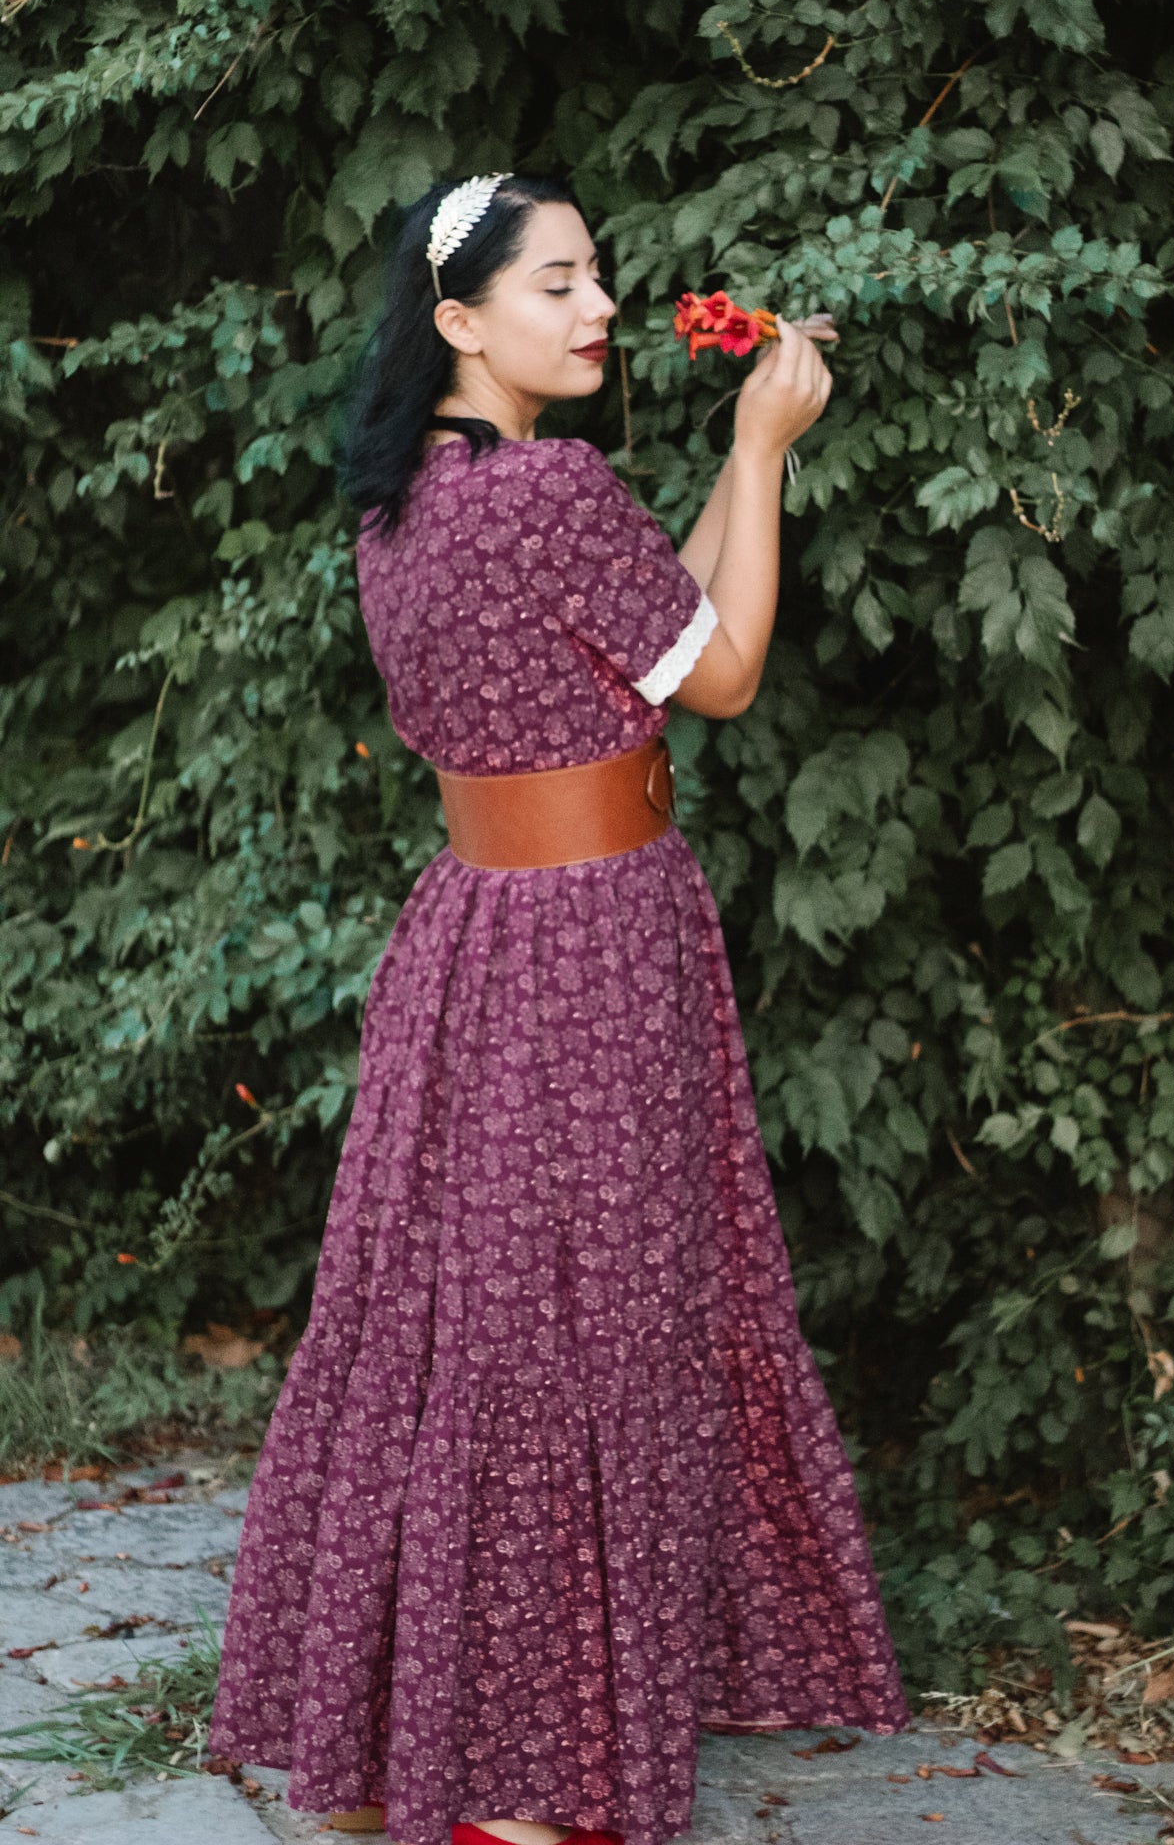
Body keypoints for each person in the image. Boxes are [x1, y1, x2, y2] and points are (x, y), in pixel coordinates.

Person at [208, 172, 911, 1845]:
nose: (598, 309)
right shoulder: (551, 489)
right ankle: (523, 1778)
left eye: (598, 275)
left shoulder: (409, 505)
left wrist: (734, 458)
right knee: (593, 1326)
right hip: (593, 937)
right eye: (558, 283)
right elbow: (722, 676)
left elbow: (655, 640)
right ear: (460, 320)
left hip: (474, 933)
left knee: (465, 1321)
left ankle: (426, 1729)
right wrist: (764, 453)